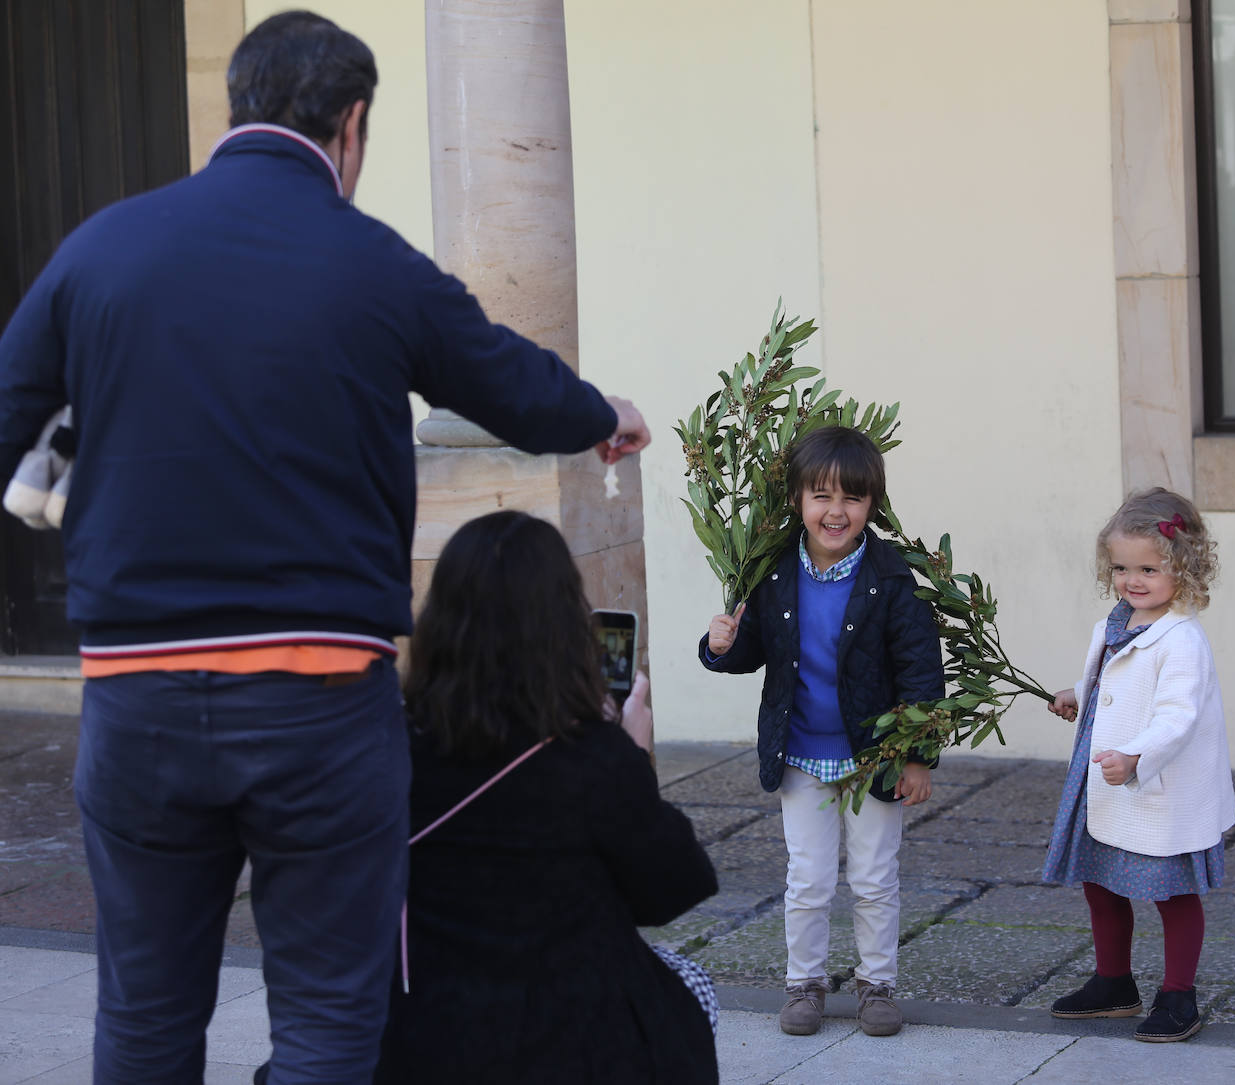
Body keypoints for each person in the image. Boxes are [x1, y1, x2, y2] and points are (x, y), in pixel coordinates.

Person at [0, 11, 649, 1083]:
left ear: (232, 109)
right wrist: (599, 409)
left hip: (139, 696)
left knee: (147, 1020)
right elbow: (508, 384)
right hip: (317, 706)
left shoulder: (102, 247)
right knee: (326, 1025)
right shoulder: (371, 262)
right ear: (351, 124)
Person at [373, 511, 719, 1084]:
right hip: (576, 1039)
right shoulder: (595, 757)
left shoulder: (391, 747)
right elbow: (671, 892)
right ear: (564, 625)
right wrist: (631, 754)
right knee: (694, 987)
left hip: (426, 1029)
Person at [699, 425, 943, 1037]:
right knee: (807, 879)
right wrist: (718, 645)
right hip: (802, 755)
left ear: (872, 505)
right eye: (822, 496)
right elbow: (749, 648)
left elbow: (921, 671)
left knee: (873, 877)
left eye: (853, 499)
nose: (836, 511)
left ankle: (876, 983)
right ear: (797, 500)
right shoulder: (775, 571)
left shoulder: (890, 578)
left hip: (873, 759)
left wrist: (916, 757)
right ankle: (804, 983)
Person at [1042, 488, 1235, 1043]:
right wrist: (1077, 692)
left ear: (1187, 567)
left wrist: (1136, 756)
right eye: (1123, 567)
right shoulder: (1116, 623)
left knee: (1172, 891)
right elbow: (1110, 679)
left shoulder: (1183, 642)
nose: (1134, 580)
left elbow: (1178, 716)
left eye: (1150, 568)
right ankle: (1113, 982)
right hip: (1106, 778)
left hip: (1156, 786)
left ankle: (1179, 994)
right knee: (1100, 883)